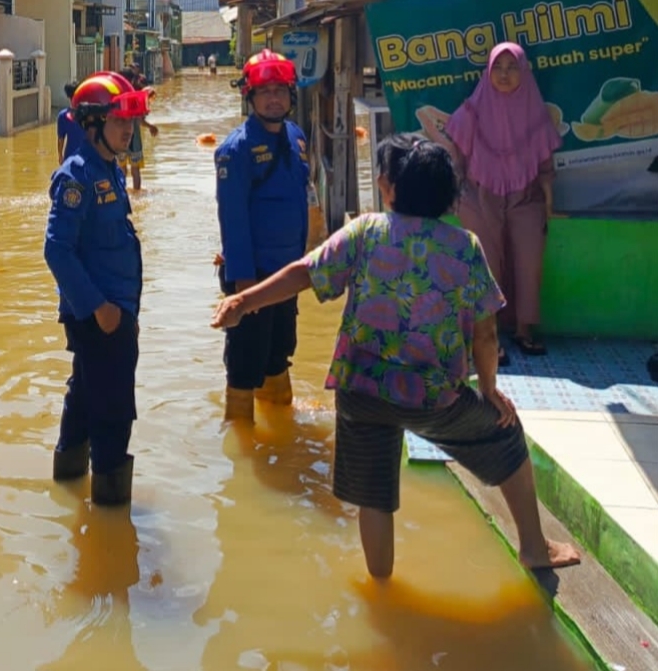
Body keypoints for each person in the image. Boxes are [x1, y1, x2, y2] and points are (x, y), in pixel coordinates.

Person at [211, 133, 582, 579]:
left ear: (390, 187)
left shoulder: (367, 231)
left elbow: (304, 273)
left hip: (362, 387)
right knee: (507, 436)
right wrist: (489, 391)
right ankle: (534, 548)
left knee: (375, 495)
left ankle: (381, 587)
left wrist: (243, 302)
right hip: (434, 396)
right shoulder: (464, 246)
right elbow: (485, 335)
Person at [43, 71, 151, 506]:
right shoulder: (78, 175)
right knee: (113, 410)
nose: (128, 130)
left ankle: (68, 481)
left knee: (87, 395)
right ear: (91, 125)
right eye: (118, 121)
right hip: (99, 315)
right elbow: (57, 251)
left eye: (130, 122)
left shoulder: (109, 169)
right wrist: (101, 309)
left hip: (115, 310)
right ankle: (110, 512)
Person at [446, 42, 561, 363]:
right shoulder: (474, 107)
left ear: (524, 72)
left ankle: (526, 330)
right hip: (480, 195)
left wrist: (549, 198)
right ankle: (489, 335)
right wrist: (454, 193)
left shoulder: (534, 108)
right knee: (486, 264)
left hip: (526, 196)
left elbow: (545, 162)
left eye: (512, 67)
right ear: (488, 71)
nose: (504, 74)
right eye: (498, 67)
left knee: (529, 260)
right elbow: (457, 156)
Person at [213, 49, 310, 423]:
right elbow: (232, 221)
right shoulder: (234, 151)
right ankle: (242, 449)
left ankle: (282, 428)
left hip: (288, 274)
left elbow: (303, 203)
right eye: (265, 91)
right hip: (252, 276)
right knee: (244, 364)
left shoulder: (296, 138)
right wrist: (243, 291)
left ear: (291, 95)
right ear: (249, 97)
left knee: (280, 352)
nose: (274, 99)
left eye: (281, 91)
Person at [117, 68, 159, 191]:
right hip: (134, 138)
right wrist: (151, 127)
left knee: (121, 168)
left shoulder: (117, 96)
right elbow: (139, 119)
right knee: (135, 170)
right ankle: (137, 194)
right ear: (133, 80)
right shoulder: (136, 97)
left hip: (119, 138)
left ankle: (121, 192)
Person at [57, 81, 86, 165]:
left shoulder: (62, 116)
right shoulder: (88, 115)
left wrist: (60, 155)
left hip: (69, 157)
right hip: (87, 157)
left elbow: (60, 139)